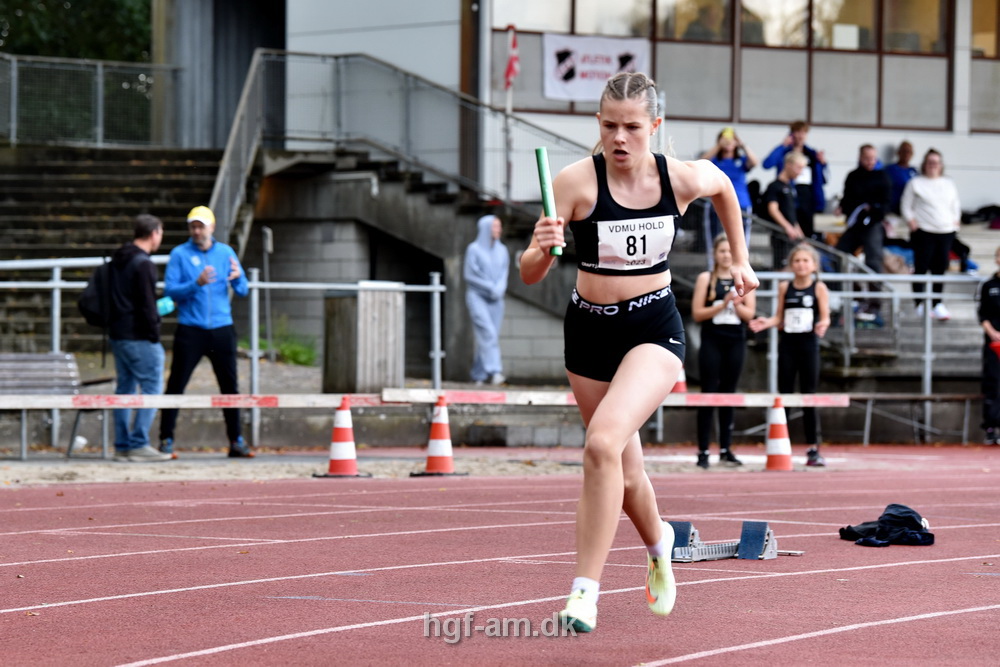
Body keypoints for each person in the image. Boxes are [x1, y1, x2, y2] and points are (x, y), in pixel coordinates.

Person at [519, 72, 758, 632]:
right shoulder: (575, 182)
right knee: (624, 473)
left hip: (653, 325)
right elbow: (529, 273)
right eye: (609, 126)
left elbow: (724, 186)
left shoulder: (679, 177)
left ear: (655, 126)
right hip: (589, 332)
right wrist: (542, 248)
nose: (619, 138)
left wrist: (742, 258)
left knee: (601, 444)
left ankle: (584, 594)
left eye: (631, 126)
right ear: (598, 125)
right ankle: (659, 543)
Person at [158, 206, 252, 458]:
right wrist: (195, 283)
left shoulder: (226, 252)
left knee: (230, 386)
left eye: (201, 226)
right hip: (191, 329)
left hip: (222, 328)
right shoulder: (180, 254)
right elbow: (171, 291)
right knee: (176, 384)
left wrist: (237, 278)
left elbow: (243, 290)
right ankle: (166, 438)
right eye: (193, 226)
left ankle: (236, 440)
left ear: (212, 227)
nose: (197, 231)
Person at [749, 243, 830, 467]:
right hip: (788, 344)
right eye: (797, 261)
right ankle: (780, 444)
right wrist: (766, 322)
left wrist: (823, 324)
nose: (801, 265)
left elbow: (825, 316)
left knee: (808, 395)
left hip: (808, 344)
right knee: (784, 393)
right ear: (791, 265)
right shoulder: (785, 287)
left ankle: (813, 448)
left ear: (813, 265)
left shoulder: (819, 288)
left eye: (805, 261)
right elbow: (779, 317)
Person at [109, 214, 172, 462]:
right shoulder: (143, 263)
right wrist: (154, 334)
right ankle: (139, 443)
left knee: (124, 388)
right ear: (154, 233)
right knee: (152, 385)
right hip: (138, 335)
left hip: (118, 333)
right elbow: (147, 304)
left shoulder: (118, 259)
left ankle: (122, 444)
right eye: (160, 233)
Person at [691, 234, 756, 468]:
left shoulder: (745, 278)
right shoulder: (706, 278)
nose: (727, 255)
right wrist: (723, 303)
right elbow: (697, 313)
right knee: (708, 392)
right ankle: (703, 450)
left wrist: (736, 304)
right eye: (722, 251)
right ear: (715, 254)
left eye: (730, 251)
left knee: (729, 393)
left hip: (735, 340)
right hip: (712, 340)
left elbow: (750, 315)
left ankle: (726, 448)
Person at [901, 148, 961, 321]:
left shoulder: (948, 183)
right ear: (924, 164)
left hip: (945, 231)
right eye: (930, 162)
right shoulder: (916, 183)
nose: (933, 165)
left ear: (941, 165)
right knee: (921, 267)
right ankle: (919, 303)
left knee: (940, 268)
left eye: (936, 162)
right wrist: (911, 221)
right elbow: (906, 205)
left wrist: (955, 221)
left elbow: (955, 204)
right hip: (923, 231)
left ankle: (937, 303)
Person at [835, 144, 891, 322]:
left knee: (873, 261)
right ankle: (856, 295)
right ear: (860, 158)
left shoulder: (882, 177)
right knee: (839, 255)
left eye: (873, 158)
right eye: (867, 158)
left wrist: (873, 211)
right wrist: (843, 207)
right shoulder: (853, 176)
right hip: (855, 224)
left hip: (872, 223)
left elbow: (887, 203)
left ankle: (875, 303)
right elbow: (847, 198)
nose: (870, 162)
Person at [762, 121, 828, 241]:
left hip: (808, 198)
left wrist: (823, 164)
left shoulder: (812, 154)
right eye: (798, 132)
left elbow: (823, 179)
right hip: (789, 194)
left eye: (803, 133)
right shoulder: (784, 153)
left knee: (809, 234)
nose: (800, 136)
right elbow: (767, 164)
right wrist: (782, 145)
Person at [464, 214, 509, 385]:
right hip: (478, 297)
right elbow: (469, 275)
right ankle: (495, 371)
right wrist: (490, 287)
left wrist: (499, 288)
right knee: (488, 333)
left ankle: (478, 375)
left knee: (489, 337)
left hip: (496, 299)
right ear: (486, 228)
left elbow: (504, 272)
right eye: (495, 226)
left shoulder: (502, 250)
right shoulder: (473, 249)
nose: (499, 229)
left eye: (499, 226)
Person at [699, 126, 758, 256]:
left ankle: (741, 264)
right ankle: (713, 266)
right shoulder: (715, 160)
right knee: (714, 239)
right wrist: (719, 145)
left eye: (731, 140)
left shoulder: (741, 160)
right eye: (725, 139)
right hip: (715, 202)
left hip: (741, 203)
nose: (728, 142)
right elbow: (701, 162)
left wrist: (742, 144)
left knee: (742, 240)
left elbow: (754, 162)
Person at [762, 151, 808, 268]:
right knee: (782, 266)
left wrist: (800, 235)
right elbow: (773, 209)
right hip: (781, 235)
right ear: (788, 165)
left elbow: (791, 215)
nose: (800, 172)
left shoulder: (790, 187)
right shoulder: (775, 186)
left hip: (791, 235)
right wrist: (787, 227)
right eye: (798, 168)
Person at [976, 246, 1000, 445]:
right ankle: (991, 427)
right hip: (994, 344)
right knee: (992, 382)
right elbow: (982, 314)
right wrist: (993, 333)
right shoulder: (988, 285)